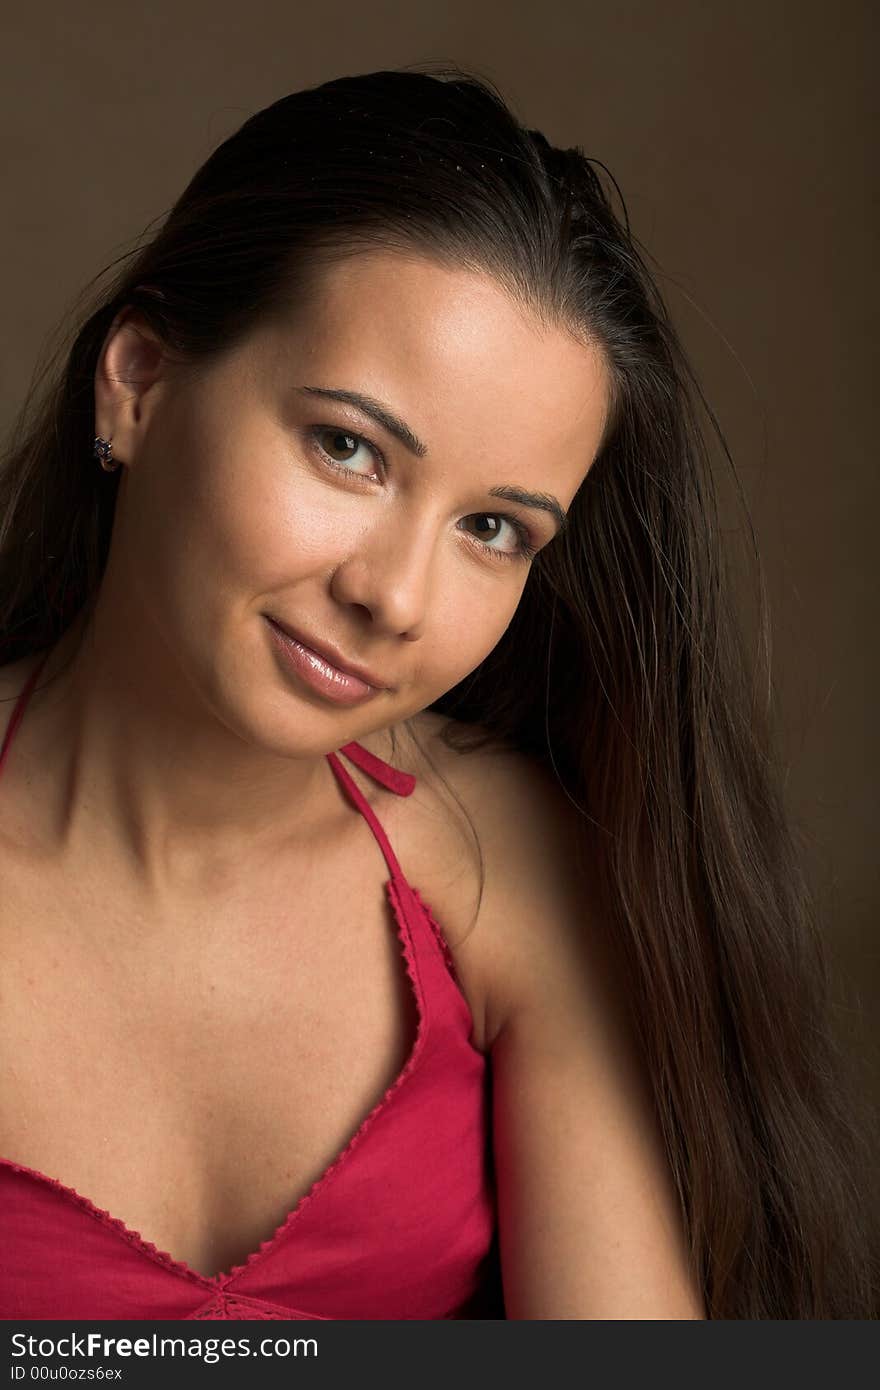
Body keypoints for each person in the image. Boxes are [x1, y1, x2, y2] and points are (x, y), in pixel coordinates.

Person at [0, 66, 876, 1322]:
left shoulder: (500, 862)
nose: (395, 596)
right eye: (347, 448)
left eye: (494, 530)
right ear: (137, 381)